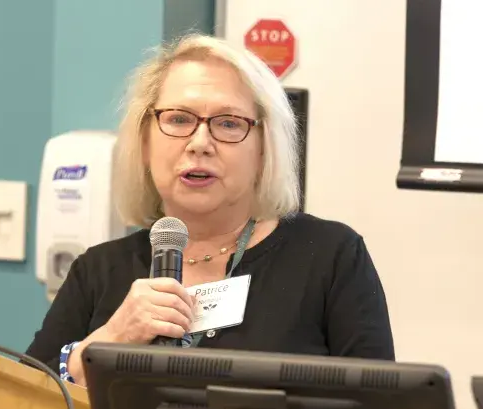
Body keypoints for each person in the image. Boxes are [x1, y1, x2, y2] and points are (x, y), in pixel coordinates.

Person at [26, 34, 394, 386]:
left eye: (228, 123)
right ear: (144, 141)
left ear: (264, 148)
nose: (200, 143)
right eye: (179, 119)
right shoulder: (97, 271)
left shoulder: (329, 257)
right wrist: (110, 339)